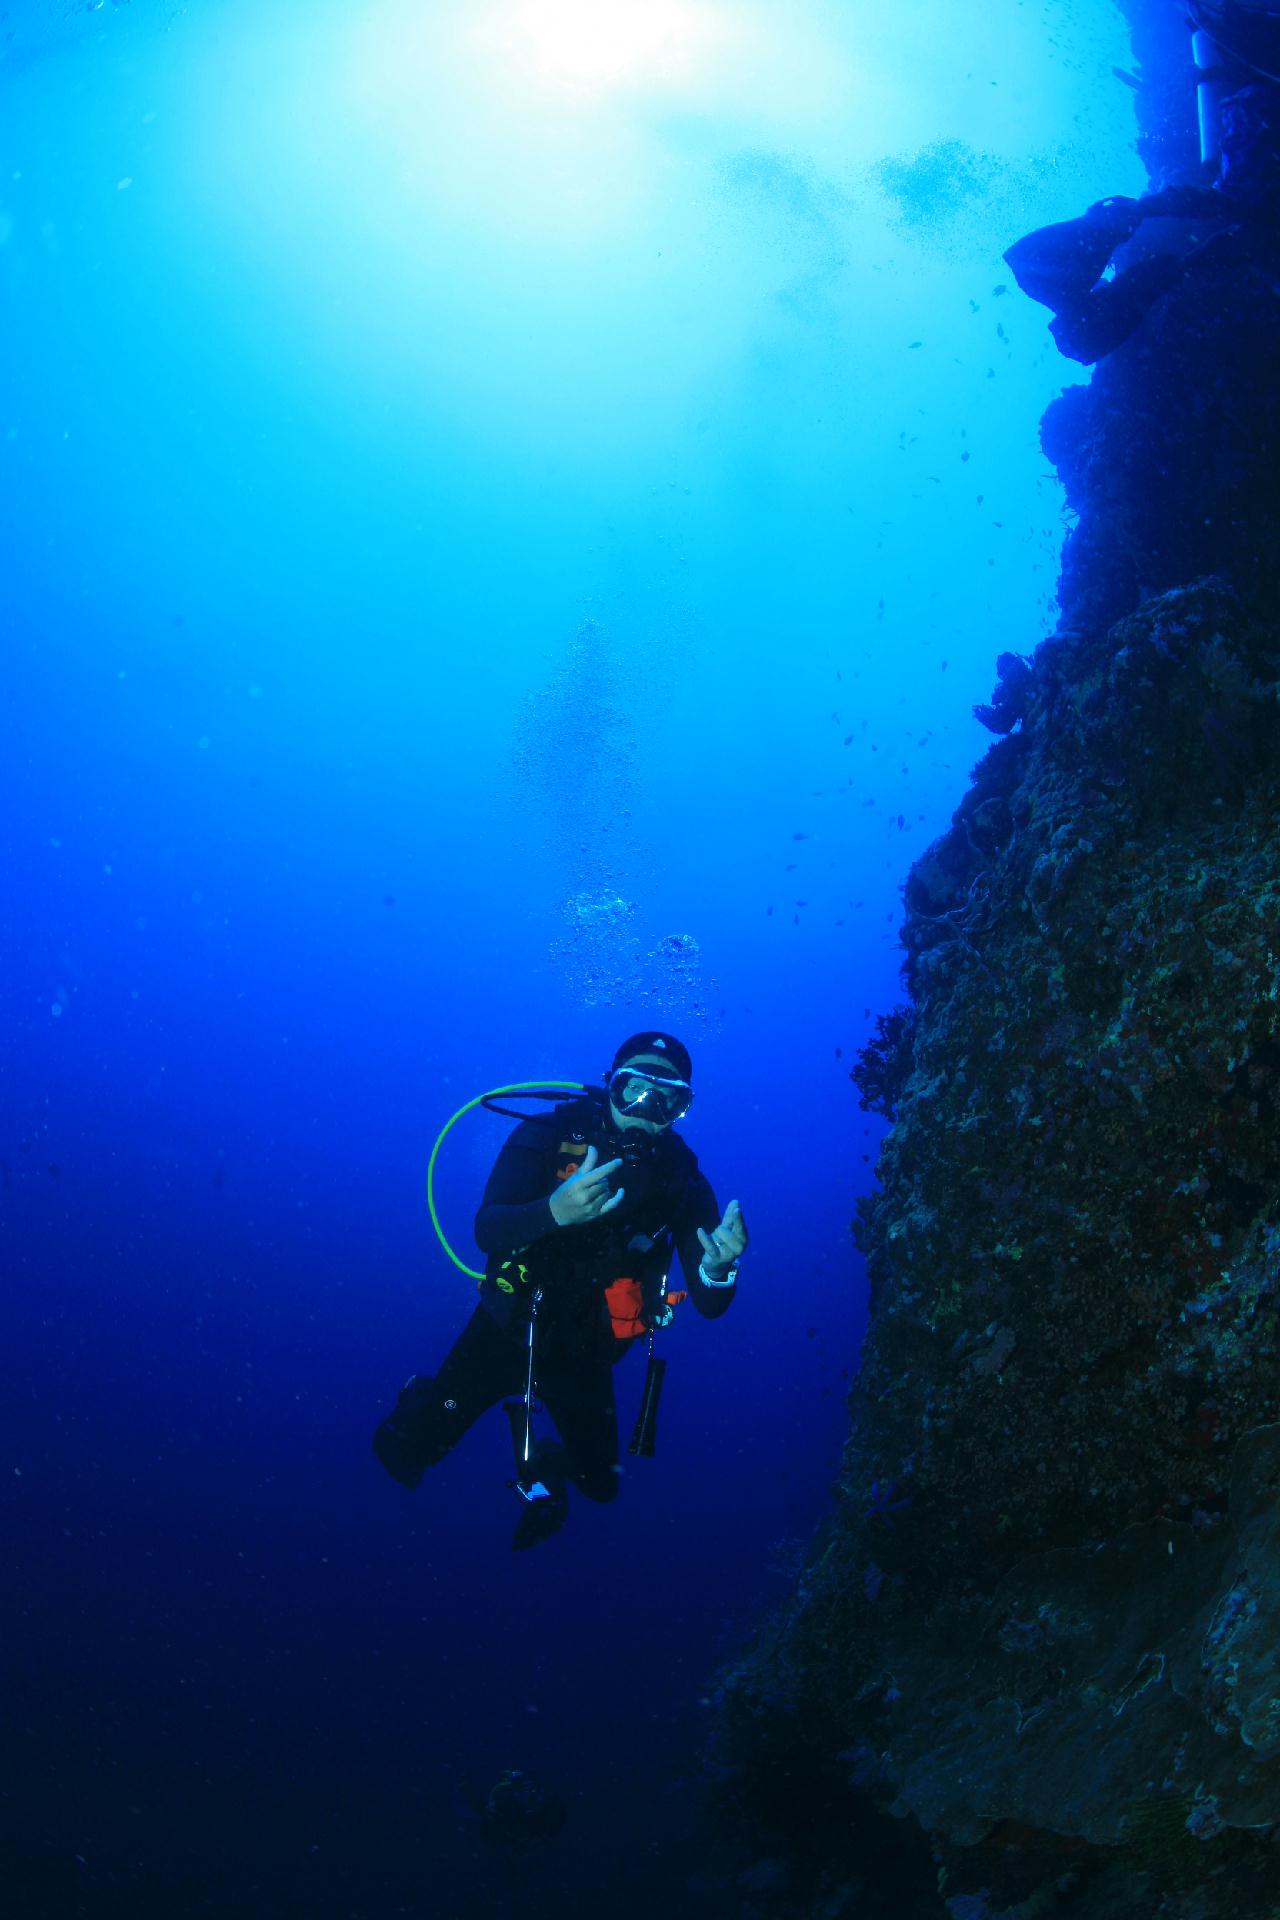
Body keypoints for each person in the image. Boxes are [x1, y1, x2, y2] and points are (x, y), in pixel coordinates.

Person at [372, 1031, 748, 1549]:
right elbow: (488, 1229)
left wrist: (719, 1268)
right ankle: (424, 1396)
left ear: (681, 1108)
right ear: (609, 1086)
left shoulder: (680, 1181)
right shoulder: (548, 1135)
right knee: (407, 1454)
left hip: (586, 1353)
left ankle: (548, 1464)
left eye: (668, 1099)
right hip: (506, 1329)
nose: (646, 1109)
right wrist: (554, 1211)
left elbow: (709, 1304)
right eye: (633, 1089)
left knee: (602, 1486)